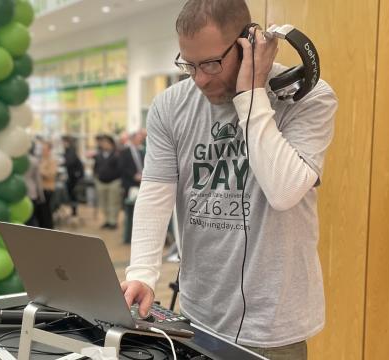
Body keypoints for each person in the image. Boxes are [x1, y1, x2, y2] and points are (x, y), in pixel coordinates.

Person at [120, 1, 338, 359]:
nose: (200, 78)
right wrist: (142, 271)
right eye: (189, 64)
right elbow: (155, 195)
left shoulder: (308, 98)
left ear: (247, 42)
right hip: (197, 313)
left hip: (274, 324)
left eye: (210, 63)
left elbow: (284, 191)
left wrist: (250, 94)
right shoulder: (169, 107)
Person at [93, 134, 122, 229]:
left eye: (106, 142)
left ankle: (113, 221)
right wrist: (96, 177)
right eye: (103, 142)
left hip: (113, 182)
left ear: (111, 144)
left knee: (113, 202)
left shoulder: (117, 154)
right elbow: (95, 167)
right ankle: (107, 220)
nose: (104, 144)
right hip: (101, 182)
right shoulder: (99, 154)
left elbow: (120, 168)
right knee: (103, 202)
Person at [62, 135, 84, 216]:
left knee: (73, 195)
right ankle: (73, 211)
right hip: (71, 176)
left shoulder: (71, 151)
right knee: (71, 195)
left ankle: (74, 212)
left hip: (74, 178)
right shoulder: (67, 151)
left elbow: (70, 162)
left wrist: (62, 163)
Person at [118, 131, 145, 199]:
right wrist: (134, 175)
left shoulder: (141, 151)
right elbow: (122, 167)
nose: (140, 140)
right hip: (129, 182)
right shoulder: (124, 151)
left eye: (141, 138)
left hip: (141, 182)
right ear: (132, 139)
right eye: (138, 138)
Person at [38, 140, 58, 229]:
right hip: (40, 189)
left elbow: (51, 174)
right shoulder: (40, 160)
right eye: (42, 149)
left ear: (49, 150)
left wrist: (41, 171)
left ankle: (49, 229)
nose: (42, 151)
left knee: (47, 212)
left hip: (48, 189)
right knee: (41, 213)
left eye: (44, 149)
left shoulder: (52, 161)